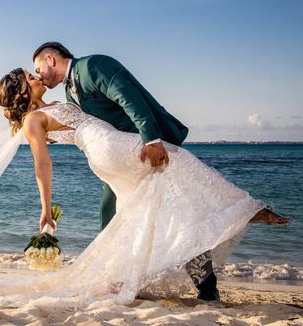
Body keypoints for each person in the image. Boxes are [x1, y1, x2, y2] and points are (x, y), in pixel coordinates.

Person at [0, 66, 287, 306]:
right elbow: (42, 164)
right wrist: (45, 210)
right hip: (107, 148)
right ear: (22, 91)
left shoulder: (51, 107)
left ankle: (195, 283)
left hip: (105, 156)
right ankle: (247, 208)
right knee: (177, 161)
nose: (37, 75)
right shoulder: (32, 120)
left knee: (162, 212)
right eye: (30, 76)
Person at [32, 41, 212, 299]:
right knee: (110, 216)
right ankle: (118, 280)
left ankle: (207, 287)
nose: (38, 74)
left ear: (50, 59)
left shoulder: (94, 66)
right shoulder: (71, 94)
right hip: (122, 162)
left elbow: (129, 98)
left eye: (38, 68)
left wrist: (151, 139)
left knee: (176, 217)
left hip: (145, 150)